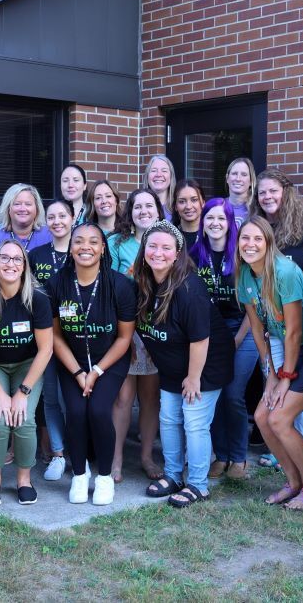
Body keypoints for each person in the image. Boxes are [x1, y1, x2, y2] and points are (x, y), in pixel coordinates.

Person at [236, 216, 303, 510]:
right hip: (286, 351)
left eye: (257, 239)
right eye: (244, 238)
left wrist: (285, 376)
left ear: (268, 243)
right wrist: (270, 375)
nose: (250, 245)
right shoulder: (244, 275)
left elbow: (294, 331)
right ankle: (293, 483)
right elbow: (256, 328)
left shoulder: (285, 271)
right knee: (263, 417)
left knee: (279, 418)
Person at [137, 221, 235, 507]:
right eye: (152, 246)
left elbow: (200, 339)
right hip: (173, 365)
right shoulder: (145, 283)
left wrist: (194, 379)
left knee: (194, 422)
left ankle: (198, 485)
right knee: (168, 418)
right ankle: (173, 475)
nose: (158, 252)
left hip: (205, 365)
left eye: (166, 247)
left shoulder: (189, 288)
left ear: (178, 252)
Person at [47, 222, 136, 505]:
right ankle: (80, 475)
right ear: (70, 247)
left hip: (109, 362)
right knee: (75, 412)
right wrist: (77, 372)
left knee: (98, 411)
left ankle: (105, 477)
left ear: (102, 248)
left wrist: (95, 372)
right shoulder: (57, 283)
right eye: (79, 241)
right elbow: (55, 336)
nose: (85, 247)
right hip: (71, 361)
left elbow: (124, 338)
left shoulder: (120, 285)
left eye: (93, 242)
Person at [0, 240, 53, 506]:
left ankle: (24, 479)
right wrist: (1, 395)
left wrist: (22, 392)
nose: (10, 264)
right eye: (4, 258)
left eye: (17, 259)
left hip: (27, 365)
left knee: (24, 417)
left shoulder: (37, 298)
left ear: (25, 266)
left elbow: (46, 349)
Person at [251, 168, 303, 460]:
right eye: (262, 192)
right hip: (274, 323)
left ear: (286, 192)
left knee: (299, 384)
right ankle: (279, 442)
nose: (267, 196)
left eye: (273, 190)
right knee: (275, 377)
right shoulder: (258, 230)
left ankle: (301, 444)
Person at [192, 199, 257, 480]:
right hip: (209, 333)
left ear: (230, 223)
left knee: (232, 394)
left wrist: (236, 339)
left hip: (244, 328)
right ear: (203, 223)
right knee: (215, 395)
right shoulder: (194, 255)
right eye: (209, 218)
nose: (215, 223)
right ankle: (221, 456)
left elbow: (253, 308)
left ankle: (239, 457)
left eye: (221, 218)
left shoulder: (242, 256)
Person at [108, 188, 165, 481]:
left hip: (156, 330)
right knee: (123, 396)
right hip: (126, 328)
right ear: (129, 213)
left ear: (158, 210)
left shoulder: (167, 242)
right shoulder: (117, 244)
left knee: (150, 396)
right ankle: (116, 460)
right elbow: (110, 285)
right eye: (137, 207)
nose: (143, 211)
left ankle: (145, 457)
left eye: (149, 206)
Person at [29, 200, 74, 480]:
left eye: (62, 216)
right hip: (44, 334)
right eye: (52, 217)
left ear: (72, 218)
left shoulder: (81, 247)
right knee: (50, 396)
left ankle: (78, 450)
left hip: (76, 336)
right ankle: (57, 453)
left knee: (73, 397)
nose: (57, 221)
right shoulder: (36, 254)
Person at [0, 183, 52, 253]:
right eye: (17, 204)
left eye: (28, 204)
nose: (22, 209)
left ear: (37, 208)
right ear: (8, 208)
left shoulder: (50, 235)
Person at [172, 179, 205, 248]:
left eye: (194, 200)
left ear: (203, 203)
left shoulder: (211, 235)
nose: (188, 206)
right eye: (182, 201)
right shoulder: (169, 235)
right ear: (175, 206)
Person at [145, 155, 177, 222]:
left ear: (171, 176)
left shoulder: (178, 208)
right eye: (154, 171)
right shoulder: (139, 208)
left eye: (164, 171)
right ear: (147, 176)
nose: (159, 174)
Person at [225, 157, 256, 225]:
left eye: (244, 175)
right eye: (234, 173)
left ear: (251, 181)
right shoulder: (218, 207)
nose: (238, 179)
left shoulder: (257, 210)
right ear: (227, 178)